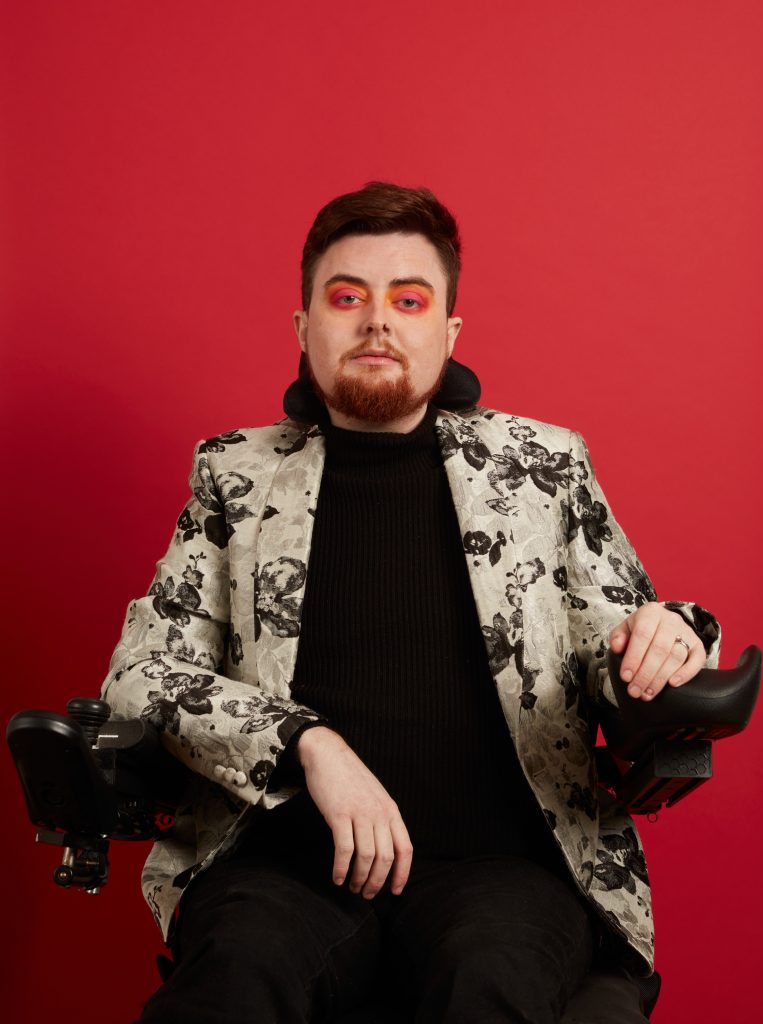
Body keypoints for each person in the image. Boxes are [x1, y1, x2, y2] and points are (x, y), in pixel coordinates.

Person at [102, 182, 721, 1024]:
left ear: (448, 331)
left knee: (487, 986)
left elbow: (625, 641)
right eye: (347, 296)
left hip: (502, 870)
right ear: (303, 327)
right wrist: (306, 741)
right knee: (232, 988)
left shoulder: (542, 466)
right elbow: (141, 677)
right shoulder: (235, 477)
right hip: (285, 872)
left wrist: (670, 633)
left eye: (409, 299)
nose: (377, 322)